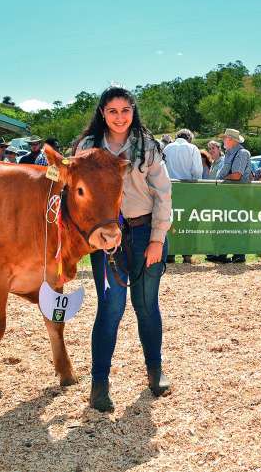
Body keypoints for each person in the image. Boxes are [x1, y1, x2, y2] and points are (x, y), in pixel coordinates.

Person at [75, 86, 173, 411]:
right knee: (110, 309)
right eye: (113, 111)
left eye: (125, 110)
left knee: (146, 305)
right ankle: (99, 384)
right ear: (103, 112)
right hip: (106, 237)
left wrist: (158, 238)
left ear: (133, 111)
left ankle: (154, 372)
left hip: (145, 231)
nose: (120, 117)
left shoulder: (148, 145)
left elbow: (163, 194)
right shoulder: (87, 147)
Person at [210, 128, 251, 264]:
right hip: (228, 196)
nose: (223, 141)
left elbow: (237, 175)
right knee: (224, 224)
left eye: (225, 138)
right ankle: (222, 253)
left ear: (231, 140)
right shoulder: (229, 153)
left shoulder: (242, 153)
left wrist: (223, 180)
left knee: (237, 225)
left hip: (237, 196)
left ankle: (238, 254)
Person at [163, 129, 202, 264]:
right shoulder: (192, 148)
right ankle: (186, 254)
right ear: (189, 138)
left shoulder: (167, 148)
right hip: (188, 190)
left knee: (170, 221)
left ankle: (169, 254)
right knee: (189, 222)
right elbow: (197, 172)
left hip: (169, 190)